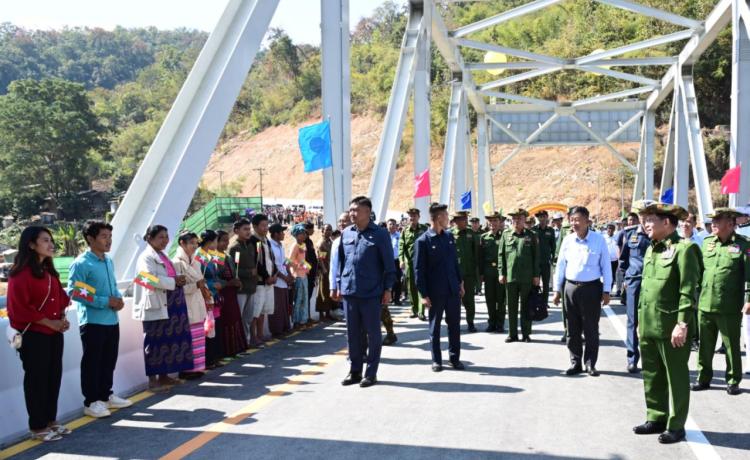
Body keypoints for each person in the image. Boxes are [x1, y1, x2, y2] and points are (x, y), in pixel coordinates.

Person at [633, 202, 701, 444]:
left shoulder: (685, 249)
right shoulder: (652, 249)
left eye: (650, 219)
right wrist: (640, 320)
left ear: (666, 222)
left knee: (676, 378)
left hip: (671, 326)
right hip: (649, 324)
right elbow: (646, 289)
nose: (645, 224)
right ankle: (656, 417)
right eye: (644, 219)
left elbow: (688, 291)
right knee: (652, 375)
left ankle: (677, 425)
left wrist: (682, 324)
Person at [7, 226, 71, 442]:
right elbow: (19, 309)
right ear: (31, 244)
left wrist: (61, 319)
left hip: (53, 334)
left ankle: (51, 420)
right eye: (45, 240)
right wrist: (50, 323)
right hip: (34, 336)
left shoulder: (49, 272)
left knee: (53, 377)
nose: (51, 244)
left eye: (51, 240)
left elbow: (61, 299)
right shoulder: (20, 274)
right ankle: (37, 426)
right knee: (37, 380)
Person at [67, 221, 131, 419]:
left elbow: (112, 286)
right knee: (92, 363)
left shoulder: (108, 261)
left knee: (108, 360)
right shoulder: (81, 263)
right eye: (104, 236)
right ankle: (91, 402)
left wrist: (118, 299)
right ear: (90, 238)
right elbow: (75, 291)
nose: (109, 240)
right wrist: (105, 302)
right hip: (93, 322)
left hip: (112, 320)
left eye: (110, 236)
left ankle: (105, 395)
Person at [334, 196, 396, 388]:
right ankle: (355, 371)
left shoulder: (380, 234)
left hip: (371, 292)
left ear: (368, 212)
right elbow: (342, 262)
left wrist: (388, 289)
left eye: (357, 210)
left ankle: (371, 373)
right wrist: (339, 284)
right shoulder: (346, 233)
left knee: (373, 334)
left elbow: (389, 265)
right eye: (351, 210)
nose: (352, 213)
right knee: (353, 334)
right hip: (350, 292)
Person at [691, 208, 750, 396]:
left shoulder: (743, 244)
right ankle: (703, 378)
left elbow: (749, 276)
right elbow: (700, 272)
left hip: (729, 305)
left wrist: (748, 300)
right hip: (705, 303)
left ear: (731, 224)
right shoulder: (708, 242)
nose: (713, 224)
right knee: (705, 345)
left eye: (718, 221)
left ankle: (733, 381)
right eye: (712, 221)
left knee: (731, 345)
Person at [132, 225, 193, 392]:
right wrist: (174, 281)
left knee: (168, 341)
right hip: (157, 304)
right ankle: (153, 381)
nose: (165, 240)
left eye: (166, 236)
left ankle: (164, 376)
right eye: (161, 237)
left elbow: (166, 276)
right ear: (149, 238)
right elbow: (147, 278)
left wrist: (177, 279)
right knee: (154, 342)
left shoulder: (162, 255)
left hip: (171, 304)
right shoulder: (145, 257)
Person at [553, 206, 612, 376]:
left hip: (591, 289)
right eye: (572, 220)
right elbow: (560, 266)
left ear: (587, 221)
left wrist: (606, 290)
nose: (574, 223)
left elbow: (606, 266)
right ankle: (575, 362)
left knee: (591, 328)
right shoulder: (567, 240)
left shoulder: (598, 240)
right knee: (572, 328)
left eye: (578, 220)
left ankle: (590, 363)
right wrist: (557, 290)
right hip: (570, 288)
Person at [413, 202, 466, 372]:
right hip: (435, 292)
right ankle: (436, 360)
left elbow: (454, 262)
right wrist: (423, 294)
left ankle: (454, 358)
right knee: (435, 327)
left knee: (454, 325)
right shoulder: (423, 241)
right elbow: (418, 270)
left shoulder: (448, 237)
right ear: (438, 218)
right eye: (446, 215)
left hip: (452, 290)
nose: (448, 218)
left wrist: (460, 283)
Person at [499, 209, 540, 342]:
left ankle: (526, 333)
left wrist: (536, 275)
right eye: (514, 218)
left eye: (519, 218)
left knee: (526, 306)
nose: (516, 221)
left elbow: (536, 257)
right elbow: (501, 255)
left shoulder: (531, 235)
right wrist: (501, 273)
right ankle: (512, 334)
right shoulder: (506, 234)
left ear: (524, 220)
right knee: (511, 307)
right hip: (511, 276)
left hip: (527, 277)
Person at [172, 231, 209, 379]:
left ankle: (197, 367)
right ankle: (186, 369)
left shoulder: (196, 261)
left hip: (197, 303)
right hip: (186, 305)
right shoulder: (176, 263)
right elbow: (177, 288)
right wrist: (196, 286)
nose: (194, 246)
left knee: (198, 338)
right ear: (182, 243)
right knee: (188, 339)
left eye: (196, 243)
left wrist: (204, 291)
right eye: (191, 243)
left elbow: (200, 283)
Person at [618, 204, 650, 373]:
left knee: (650, 322)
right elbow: (623, 260)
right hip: (634, 282)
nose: (644, 218)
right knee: (632, 321)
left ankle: (650, 359)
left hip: (653, 284)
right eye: (642, 215)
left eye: (647, 215)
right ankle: (632, 358)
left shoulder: (658, 234)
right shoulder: (629, 234)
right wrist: (625, 279)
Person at [216, 230, 247, 357]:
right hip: (222, 294)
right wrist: (229, 283)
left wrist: (237, 282)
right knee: (227, 320)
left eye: (227, 240)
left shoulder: (228, 257)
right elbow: (215, 278)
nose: (226, 243)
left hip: (232, 293)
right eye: (223, 240)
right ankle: (227, 350)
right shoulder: (213, 258)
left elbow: (233, 274)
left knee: (235, 318)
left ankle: (236, 348)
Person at [249, 214, 278, 345]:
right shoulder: (254, 240)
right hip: (260, 281)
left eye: (267, 225)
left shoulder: (266, 240)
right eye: (263, 225)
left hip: (269, 280)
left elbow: (271, 259)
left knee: (263, 310)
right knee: (256, 311)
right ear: (255, 227)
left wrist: (274, 274)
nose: (266, 228)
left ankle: (261, 334)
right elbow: (257, 262)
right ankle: (253, 336)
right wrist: (267, 277)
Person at [198, 230, 225, 369]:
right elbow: (199, 278)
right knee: (208, 328)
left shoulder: (212, 255)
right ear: (209, 242)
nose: (217, 243)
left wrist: (219, 283)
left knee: (215, 327)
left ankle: (215, 357)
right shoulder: (199, 256)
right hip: (206, 297)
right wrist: (212, 284)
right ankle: (208, 359)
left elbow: (218, 272)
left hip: (215, 297)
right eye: (215, 240)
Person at [228, 218, 257, 346]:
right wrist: (249, 273)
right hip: (241, 289)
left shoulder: (250, 246)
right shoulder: (234, 248)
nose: (248, 231)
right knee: (239, 317)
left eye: (249, 229)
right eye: (245, 229)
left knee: (248, 318)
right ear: (236, 231)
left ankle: (246, 341)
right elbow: (233, 270)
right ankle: (238, 343)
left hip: (251, 287)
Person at [451, 211, 480, 332]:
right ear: (456, 221)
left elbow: (476, 254)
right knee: (454, 300)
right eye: (463, 219)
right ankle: (454, 324)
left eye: (466, 219)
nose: (466, 221)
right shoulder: (449, 234)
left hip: (469, 273)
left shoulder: (471, 234)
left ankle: (470, 322)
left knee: (469, 300)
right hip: (454, 274)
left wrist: (477, 272)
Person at [399, 208, 429, 321]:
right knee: (411, 287)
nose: (412, 218)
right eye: (410, 216)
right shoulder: (405, 231)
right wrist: (401, 260)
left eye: (414, 216)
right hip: (410, 263)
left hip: (422, 262)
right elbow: (401, 247)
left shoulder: (425, 229)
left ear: (418, 217)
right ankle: (414, 309)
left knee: (421, 285)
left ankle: (421, 311)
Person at [480, 212, 506, 333]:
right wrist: (481, 273)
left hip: (500, 272)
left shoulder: (504, 236)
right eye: (490, 221)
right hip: (488, 271)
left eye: (495, 221)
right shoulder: (484, 237)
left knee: (501, 299)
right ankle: (491, 322)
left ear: (499, 222)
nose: (492, 223)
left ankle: (500, 323)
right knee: (490, 299)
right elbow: (480, 257)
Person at [269, 223, 293, 336]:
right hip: (277, 281)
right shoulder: (270, 246)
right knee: (277, 307)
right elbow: (273, 265)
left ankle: (285, 327)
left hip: (284, 280)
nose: (284, 234)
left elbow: (284, 262)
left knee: (284, 306)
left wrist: (289, 274)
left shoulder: (281, 246)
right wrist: (284, 277)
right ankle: (276, 330)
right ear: (275, 234)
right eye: (282, 232)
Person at [532, 210, 557, 304]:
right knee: (535, 283)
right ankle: (535, 303)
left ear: (547, 217)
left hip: (546, 262)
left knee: (546, 284)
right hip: (535, 263)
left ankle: (544, 304)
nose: (542, 218)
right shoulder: (533, 230)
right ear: (538, 218)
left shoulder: (550, 230)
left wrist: (553, 259)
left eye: (543, 216)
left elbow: (553, 246)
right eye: (540, 217)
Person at [289, 224, 311, 328]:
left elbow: (302, 260)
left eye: (304, 233)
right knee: (298, 299)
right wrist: (298, 267)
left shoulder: (303, 245)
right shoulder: (295, 246)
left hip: (304, 275)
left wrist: (307, 267)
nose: (304, 235)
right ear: (296, 235)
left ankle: (303, 320)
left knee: (304, 298)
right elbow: (288, 261)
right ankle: (296, 321)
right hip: (297, 275)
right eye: (301, 233)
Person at [317, 224, 336, 319]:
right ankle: (321, 314)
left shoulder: (330, 242)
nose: (329, 231)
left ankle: (328, 313)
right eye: (327, 229)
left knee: (329, 290)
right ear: (322, 231)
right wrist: (324, 269)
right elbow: (320, 259)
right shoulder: (322, 243)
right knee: (322, 291)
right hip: (324, 270)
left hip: (330, 269)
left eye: (330, 229)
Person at [304, 222, 319, 321]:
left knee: (309, 295)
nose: (313, 231)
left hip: (312, 272)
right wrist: (309, 268)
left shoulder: (309, 241)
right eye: (312, 229)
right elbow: (302, 259)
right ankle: (306, 317)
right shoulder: (303, 243)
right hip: (307, 273)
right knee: (306, 296)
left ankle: (308, 316)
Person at [387, 219, 403, 306]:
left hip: (396, 261)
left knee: (397, 280)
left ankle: (396, 299)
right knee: (388, 280)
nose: (392, 226)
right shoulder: (384, 235)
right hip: (386, 261)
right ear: (387, 225)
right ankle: (389, 298)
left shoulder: (399, 235)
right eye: (390, 224)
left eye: (393, 224)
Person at [603, 223, 619, 293]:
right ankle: (606, 291)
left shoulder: (617, 237)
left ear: (614, 230)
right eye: (609, 228)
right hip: (606, 261)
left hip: (615, 261)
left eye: (612, 228)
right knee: (607, 276)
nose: (610, 230)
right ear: (606, 229)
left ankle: (611, 291)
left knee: (614, 276)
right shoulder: (603, 238)